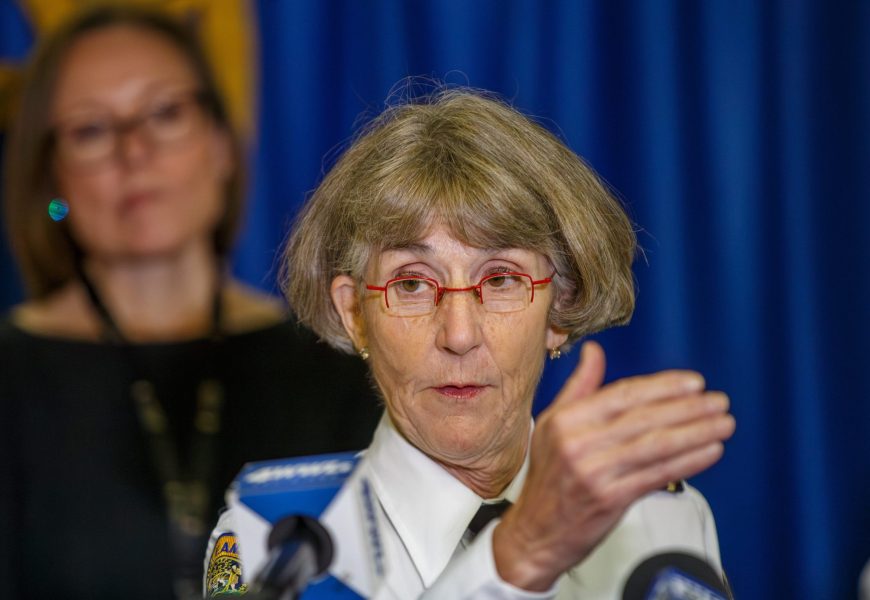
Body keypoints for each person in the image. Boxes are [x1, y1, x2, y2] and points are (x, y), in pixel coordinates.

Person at [208, 87, 736, 599]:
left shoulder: (655, 518)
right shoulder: (281, 541)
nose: (459, 335)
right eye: (411, 284)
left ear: (560, 305)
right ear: (355, 315)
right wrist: (518, 557)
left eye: (501, 279)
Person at [0, 7, 381, 600]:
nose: (135, 152)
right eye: (91, 130)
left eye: (166, 113)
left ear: (223, 144)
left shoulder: (342, 365)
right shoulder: (11, 376)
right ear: (52, 179)